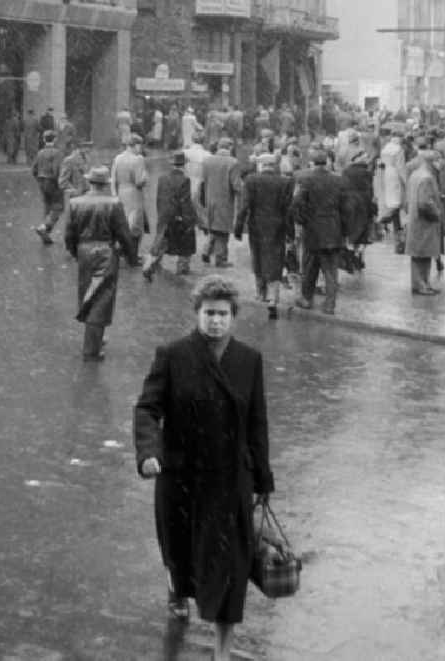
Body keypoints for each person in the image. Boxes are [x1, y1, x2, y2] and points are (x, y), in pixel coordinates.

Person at [134, 277, 274, 655]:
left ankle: (222, 650)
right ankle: (176, 589)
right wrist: (149, 451)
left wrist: (262, 478)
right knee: (181, 552)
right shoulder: (173, 355)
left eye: (223, 314)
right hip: (182, 477)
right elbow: (148, 407)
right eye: (209, 313)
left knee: (230, 566)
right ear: (197, 313)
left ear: (233, 317)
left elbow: (256, 423)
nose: (215, 321)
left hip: (230, 480)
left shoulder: (249, 361)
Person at [64, 165, 134, 360]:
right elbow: (124, 234)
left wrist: (76, 252)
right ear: (105, 184)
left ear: (90, 181)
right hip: (106, 251)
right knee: (101, 300)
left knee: (89, 295)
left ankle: (95, 340)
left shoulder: (75, 202)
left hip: (84, 251)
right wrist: (131, 257)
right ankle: (91, 350)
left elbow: (68, 234)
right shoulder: (114, 203)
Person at [234, 152, 293, 317]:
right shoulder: (285, 182)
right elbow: (289, 210)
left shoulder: (251, 180)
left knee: (258, 256)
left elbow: (244, 207)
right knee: (275, 258)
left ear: (261, 165)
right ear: (274, 165)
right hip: (277, 226)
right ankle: (274, 297)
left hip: (257, 225)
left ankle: (260, 293)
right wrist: (290, 233)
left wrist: (238, 228)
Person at [293, 147, 349, 315]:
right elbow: (346, 207)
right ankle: (330, 305)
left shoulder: (306, 179)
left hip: (313, 231)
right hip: (333, 230)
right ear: (326, 162)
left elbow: (296, 204)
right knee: (331, 270)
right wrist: (343, 229)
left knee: (310, 267)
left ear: (312, 162)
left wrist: (302, 220)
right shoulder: (338, 180)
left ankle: (306, 299)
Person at [142, 151, 197, 280]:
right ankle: (182, 267)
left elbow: (159, 198)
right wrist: (188, 218)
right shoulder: (185, 180)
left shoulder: (162, 178)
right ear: (183, 165)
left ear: (172, 164)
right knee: (187, 239)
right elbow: (184, 201)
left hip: (164, 214)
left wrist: (161, 213)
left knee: (161, 239)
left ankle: (149, 263)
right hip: (177, 215)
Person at [404, 146, 443, 296]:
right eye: (438, 160)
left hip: (416, 220)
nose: (440, 163)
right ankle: (421, 285)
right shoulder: (427, 177)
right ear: (432, 161)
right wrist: (437, 213)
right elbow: (424, 203)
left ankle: (421, 283)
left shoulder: (416, 174)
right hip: (425, 223)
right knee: (423, 255)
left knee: (419, 255)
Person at [200, 137, 243, 268]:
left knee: (214, 227)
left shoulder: (207, 161)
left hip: (210, 199)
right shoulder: (233, 163)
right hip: (224, 201)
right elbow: (236, 185)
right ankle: (221, 258)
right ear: (229, 148)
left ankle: (206, 250)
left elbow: (203, 181)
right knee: (223, 230)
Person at [110, 133, 148, 266]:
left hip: (121, 192)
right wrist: (145, 177)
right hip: (134, 193)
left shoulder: (118, 158)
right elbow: (139, 181)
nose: (141, 148)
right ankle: (132, 256)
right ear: (135, 145)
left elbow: (113, 179)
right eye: (140, 145)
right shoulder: (138, 159)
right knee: (135, 226)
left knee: (123, 222)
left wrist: (115, 195)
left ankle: (123, 251)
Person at [340, 147, 375, 273]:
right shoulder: (367, 173)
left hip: (349, 204)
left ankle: (350, 254)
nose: (365, 158)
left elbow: (342, 188)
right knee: (363, 232)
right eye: (363, 155)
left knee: (351, 231)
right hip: (364, 204)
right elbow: (371, 190)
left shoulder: (346, 171)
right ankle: (359, 255)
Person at [32, 130, 63, 244]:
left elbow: (34, 169)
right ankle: (44, 227)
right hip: (53, 182)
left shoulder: (40, 153)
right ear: (54, 140)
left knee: (47, 207)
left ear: (44, 140)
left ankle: (45, 232)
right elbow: (57, 170)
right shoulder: (57, 153)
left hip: (42, 182)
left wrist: (40, 180)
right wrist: (59, 182)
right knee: (58, 207)